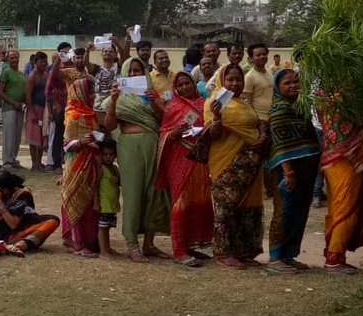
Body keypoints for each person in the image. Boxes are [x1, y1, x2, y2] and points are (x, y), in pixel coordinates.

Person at [104, 58, 171, 262]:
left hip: (152, 144)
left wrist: (154, 103)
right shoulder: (117, 97)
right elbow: (108, 125)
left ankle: (149, 243)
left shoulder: (152, 95)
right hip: (129, 147)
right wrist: (114, 101)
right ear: (125, 73)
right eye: (131, 71)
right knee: (132, 194)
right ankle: (132, 244)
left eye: (138, 71)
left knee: (154, 193)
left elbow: (164, 120)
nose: (134, 74)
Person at [203, 64, 267, 270]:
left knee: (247, 205)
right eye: (230, 79)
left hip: (251, 162)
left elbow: (257, 123)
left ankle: (244, 251)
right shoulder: (213, 103)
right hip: (226, 161)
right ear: (222, 81)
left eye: (238, 79)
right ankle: (224, 252)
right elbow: (212, 135)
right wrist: (218, 118)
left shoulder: (244, 102)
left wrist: (262, 134)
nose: (235, 83)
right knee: (227, 206)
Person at [155, 72, 214, 267]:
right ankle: (179, 251)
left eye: (187, 83)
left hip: (200, 160)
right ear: (175, 89)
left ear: (193, 83)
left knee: (198, 201)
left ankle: (191, 246)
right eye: (179, 85)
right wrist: (174, 133)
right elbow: (163, 133)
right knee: (180, 203)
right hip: (179, 159)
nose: (184, 88)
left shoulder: (204, 104)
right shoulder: (173, 107)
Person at [265, 68, 321, 273]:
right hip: (288, 172)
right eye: (287, 83)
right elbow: (280, 147)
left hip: (307, 169)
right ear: (278, 87)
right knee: (284, 212)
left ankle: (289, 254)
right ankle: (275, 257)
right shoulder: (279, 111)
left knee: (300, 212)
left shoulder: (301, 108)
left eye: (296, 82)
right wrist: (288, 173)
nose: (293, 86)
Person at [316, 93, 363, 275]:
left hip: (344, 162)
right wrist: (356, 161)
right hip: (345, 163)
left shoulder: (333, 95)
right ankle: (333, 259)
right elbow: (337, 136)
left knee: (341, 208)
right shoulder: (337, 98)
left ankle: (336, 256)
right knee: (345, 209)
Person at [61, 78, 101, 257]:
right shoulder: (73, 115)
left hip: (92, 162)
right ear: (81, 93)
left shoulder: (91, 114)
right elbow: (66, 144)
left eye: (93, 92)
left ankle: (89, 240)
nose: (93, 96)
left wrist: (96, 142)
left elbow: (98, 137)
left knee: (90, 202)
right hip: (76, 164)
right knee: (75, 199)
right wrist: (81, 142)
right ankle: (76, 242)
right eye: (90, 92)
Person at [0, 170, 59, 254]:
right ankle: (3, 245)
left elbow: (13, 224)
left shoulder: (22, 194)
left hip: (21, 230)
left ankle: (19, 245)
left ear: (3, 189)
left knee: (52, 221)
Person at [0, 49, 27, 168]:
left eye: (16, 57)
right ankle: (7, 160)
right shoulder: (6, 72)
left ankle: (13, 158)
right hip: (9, 107)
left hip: (20, 108)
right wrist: (13, 102)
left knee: (17, 135)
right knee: (9, 135)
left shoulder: (20, 73)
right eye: (12, 58)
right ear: (8, 59)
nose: (14, 60)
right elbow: (0, 91)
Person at [23, 52, 49, 171]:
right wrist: (32, 112)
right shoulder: (32, 76)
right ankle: (34, 163)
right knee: (34, 137)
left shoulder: (46, 74)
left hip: (45, 109)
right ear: (35, 62)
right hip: (35, 108)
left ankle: (39, 162)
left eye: (45, 61)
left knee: (42, 136)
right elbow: (28, 96)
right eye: (41, 61)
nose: (44, 64)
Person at [97, 140, 121, 258]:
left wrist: (118, 180)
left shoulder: (115, 168)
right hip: (104, 204)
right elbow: (95, 186)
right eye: (105, 154)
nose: (108, 157)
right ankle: (102, 251)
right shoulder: (101, 168)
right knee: (102, 227)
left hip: (112, 204)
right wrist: (96, 203)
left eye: (111, 154)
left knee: (108, 227)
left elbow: (119, 183)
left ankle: (107, 247)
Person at [242, 43, 274, 121]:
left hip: (273, 116)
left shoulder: (270, 72)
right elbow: (248, 103)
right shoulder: (249, 77)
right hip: (260, 119)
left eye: (264, 54)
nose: (262, 57)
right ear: (251, 59)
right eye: (258, 55)